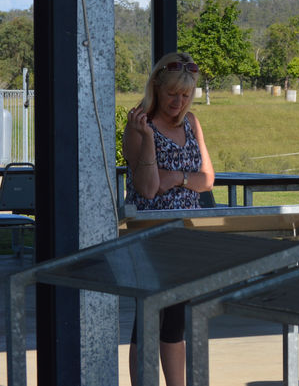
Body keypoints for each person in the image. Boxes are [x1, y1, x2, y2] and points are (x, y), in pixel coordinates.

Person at [122, 51, 216, 386]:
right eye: (172, 93)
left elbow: (207, 179)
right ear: (157, 88)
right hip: (149, 236)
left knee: (176, 319)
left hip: (185, 235)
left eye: (186, 95)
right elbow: (147, 189)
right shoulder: (138, 125)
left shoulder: (191, 123)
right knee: (148, 317)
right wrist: (147, 138)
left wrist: (176, 177)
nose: (179, 101)